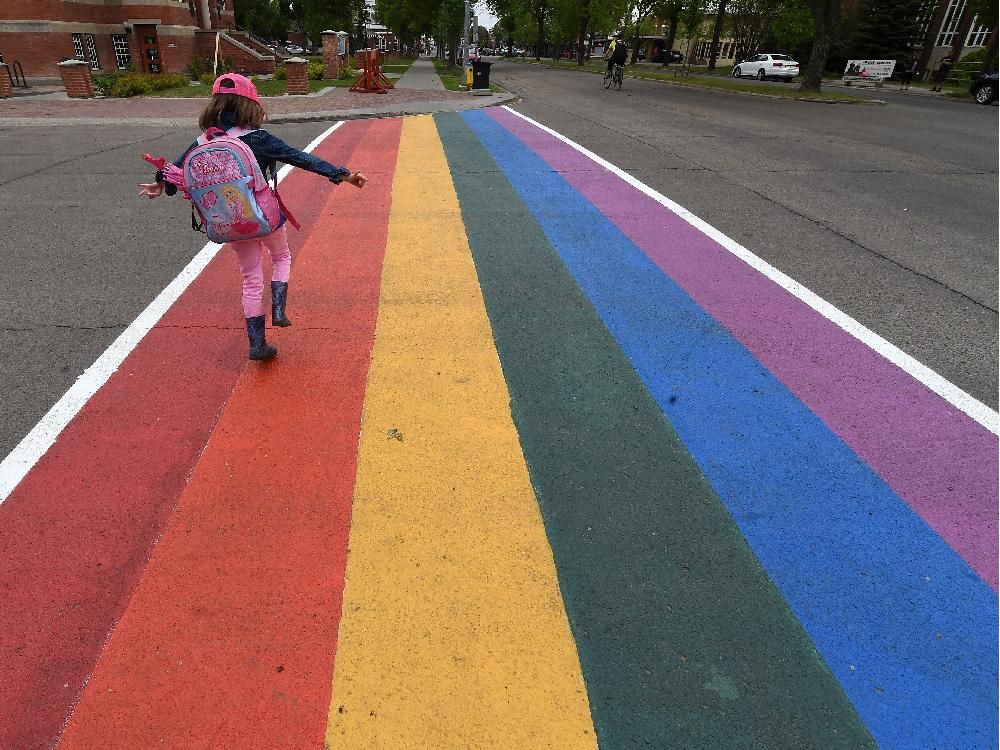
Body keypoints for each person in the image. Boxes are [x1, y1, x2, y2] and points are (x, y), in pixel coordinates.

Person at [138, 73, 367, 361]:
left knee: (250, 278)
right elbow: (299, 157)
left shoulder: (202, 141)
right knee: (281, 257)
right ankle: (280, 309)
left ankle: (257, 344)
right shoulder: (258, 138)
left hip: (230, 223)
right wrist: (342, 175)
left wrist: (161, 184)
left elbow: (176, 169)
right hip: (264, 218)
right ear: (251, 106)